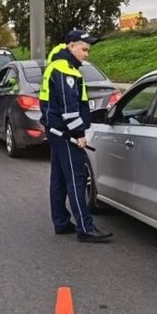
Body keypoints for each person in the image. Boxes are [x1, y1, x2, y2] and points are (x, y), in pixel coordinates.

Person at [45, 30, 112, 242]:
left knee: (59, 178)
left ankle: (61, 222)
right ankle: (85, 227)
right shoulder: (65, 69)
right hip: (66, 133)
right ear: (71, 46)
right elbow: (69, 108)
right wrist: (79, 134)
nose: (86, 54)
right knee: (77, 178)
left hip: (56, 130)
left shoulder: (59, 65)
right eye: (84, 49)